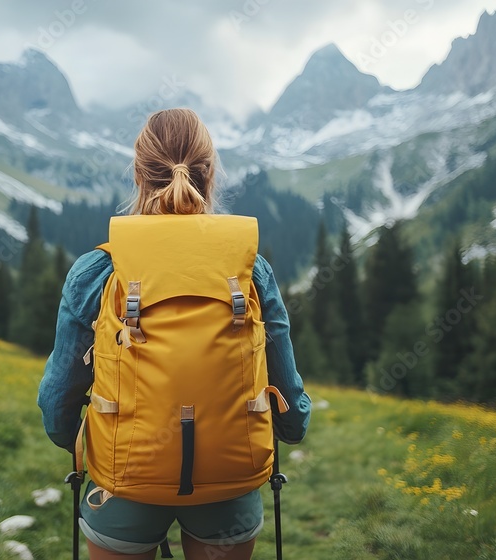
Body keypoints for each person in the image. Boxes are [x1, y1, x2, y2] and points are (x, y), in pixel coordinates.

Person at [38, 107, 311, 560]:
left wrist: (71, 438)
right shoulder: (251, 269)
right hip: (230, 477)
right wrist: (291, 425)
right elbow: (285, 385)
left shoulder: (99, 270)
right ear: (209, 174)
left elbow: (58, 398)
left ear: (140, 175)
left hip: (124, 481)